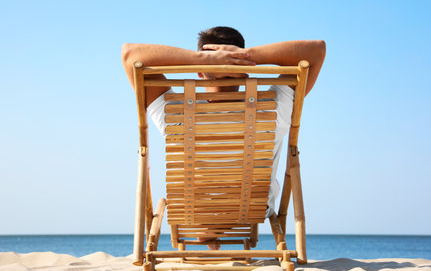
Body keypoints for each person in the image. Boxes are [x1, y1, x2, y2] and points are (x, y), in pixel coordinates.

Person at [122, 26, 326, 249]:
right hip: (253, 208)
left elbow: (130, 55)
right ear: (246, 71)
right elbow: (316, 50)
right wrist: (247, 56)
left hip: (192, 209)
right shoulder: (272, 109)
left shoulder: (175, 113)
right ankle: (216, 225)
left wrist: (199, 58)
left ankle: (210, 226)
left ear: (199, 71)